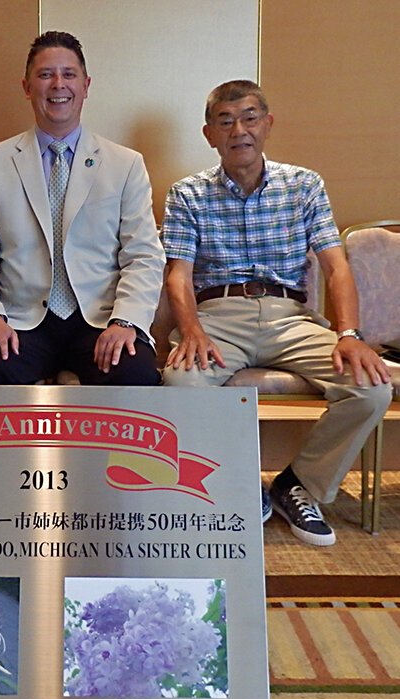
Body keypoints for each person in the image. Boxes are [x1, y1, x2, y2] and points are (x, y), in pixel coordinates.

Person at [161, 80, 392, 547]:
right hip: (219, 315)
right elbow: (178, 276)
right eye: (225, 121)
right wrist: (190, 332)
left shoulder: (304, 185)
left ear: (267, 125)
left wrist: (349, 333)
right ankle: (235, 481)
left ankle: (297, 485)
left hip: (291, 315)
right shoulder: (188, 193)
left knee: (371, 387)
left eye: (249, 118)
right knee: (181, 383)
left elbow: (335, 266)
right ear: (209, 134)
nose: (238, 130)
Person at [0, 30, 164, 386]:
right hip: (20, 321)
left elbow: (143, 254)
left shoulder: (124, 164)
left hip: (99, 321)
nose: (58, 85)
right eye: (45, 74)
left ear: (86, 85)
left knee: (136, 372)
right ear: (26, 86)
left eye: (69, 74)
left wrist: (125, 321)